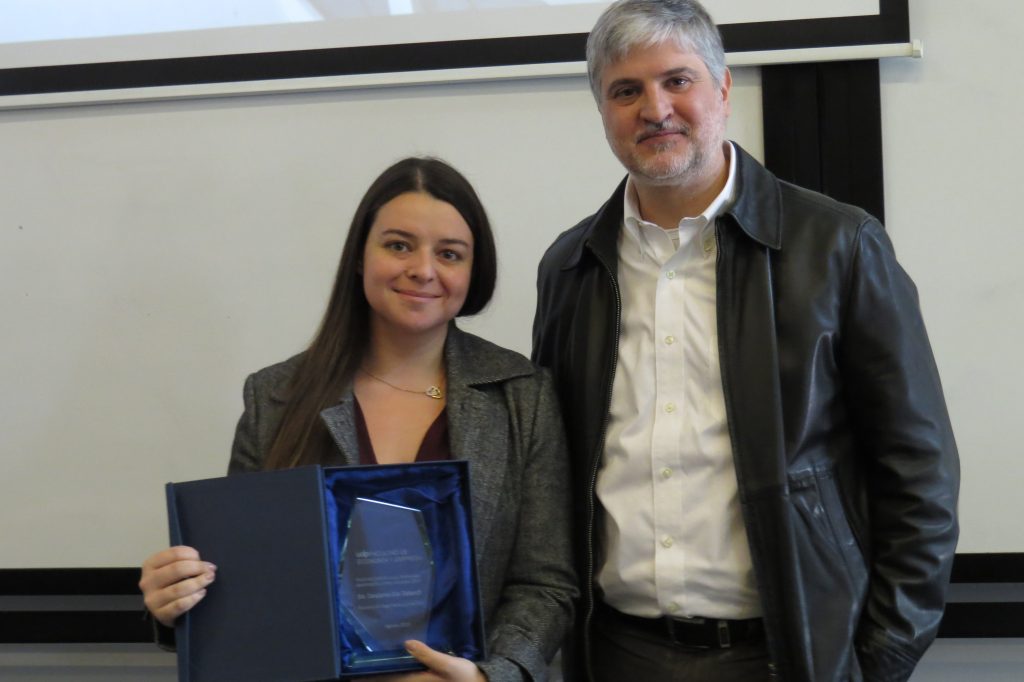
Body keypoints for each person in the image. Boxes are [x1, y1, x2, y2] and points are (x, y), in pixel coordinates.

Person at [531, 1, 960, 681]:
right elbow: (554, 473)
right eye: (626, 90)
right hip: (612, 652)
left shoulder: (839, 247)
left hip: (789, 656)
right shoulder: (570, 267)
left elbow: (920, 472)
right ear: (603, 111)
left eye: (677, 80)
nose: (655, 109)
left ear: (723, 88)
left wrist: (883, 656)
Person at [140, 157, 577, 682]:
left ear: (472, 271)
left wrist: (490, 675)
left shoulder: (521, 395)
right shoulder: (275, 397)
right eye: (399, 245)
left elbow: (545, 585)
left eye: (449, 253)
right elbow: (245, 581)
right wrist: (176, 600)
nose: (423, 269)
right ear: (359, 257)